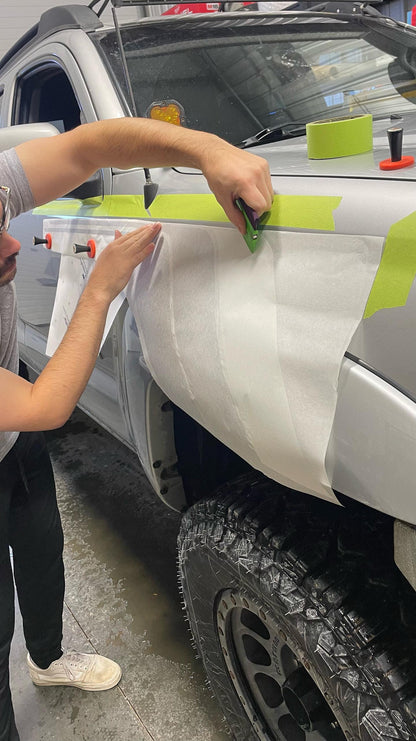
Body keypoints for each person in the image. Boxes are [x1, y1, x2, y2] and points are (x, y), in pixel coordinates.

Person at [0, 116, 273, 741]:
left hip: (13, 438)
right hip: (21, 410)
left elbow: (90, 146)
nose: (12, 243)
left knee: (40, 551)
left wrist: (209, 149)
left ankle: (48, 659)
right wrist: (100, 290)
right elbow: (43, 405)